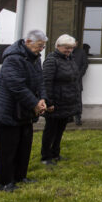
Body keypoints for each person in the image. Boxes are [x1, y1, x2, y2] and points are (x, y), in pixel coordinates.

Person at [0, 30, 48, 192]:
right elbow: (16, 86)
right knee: (7, 148)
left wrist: (42, 99)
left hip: (25, 110)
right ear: (28, 42)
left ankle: (21, 176)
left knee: (24, 145)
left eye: (43, 46)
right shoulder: (12, 59)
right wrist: (35, 103)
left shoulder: (35, 58)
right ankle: (5, 182)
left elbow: (40, 80)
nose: (41, 49)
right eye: (39, 46)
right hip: (9, 110)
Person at [41, 34, 82, 164]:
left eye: (71, 48)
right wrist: (49, 102)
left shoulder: (69, 59)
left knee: (60, 130)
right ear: (58, 46)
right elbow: (47, 82)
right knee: (50, 130)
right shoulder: (51, 61)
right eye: (66, 48)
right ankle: (46, 156)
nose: (69, 50)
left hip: (67, 101)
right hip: (55, 102)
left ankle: (55, 153)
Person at [72, 44, 89, 126]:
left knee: (77, 99)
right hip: (65, 81)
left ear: (76, 42)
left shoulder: (81, 52)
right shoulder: (64, 52)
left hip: (77, 80)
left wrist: (79, 75)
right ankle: (68, 117)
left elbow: (85, 64)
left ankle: (78, 117)